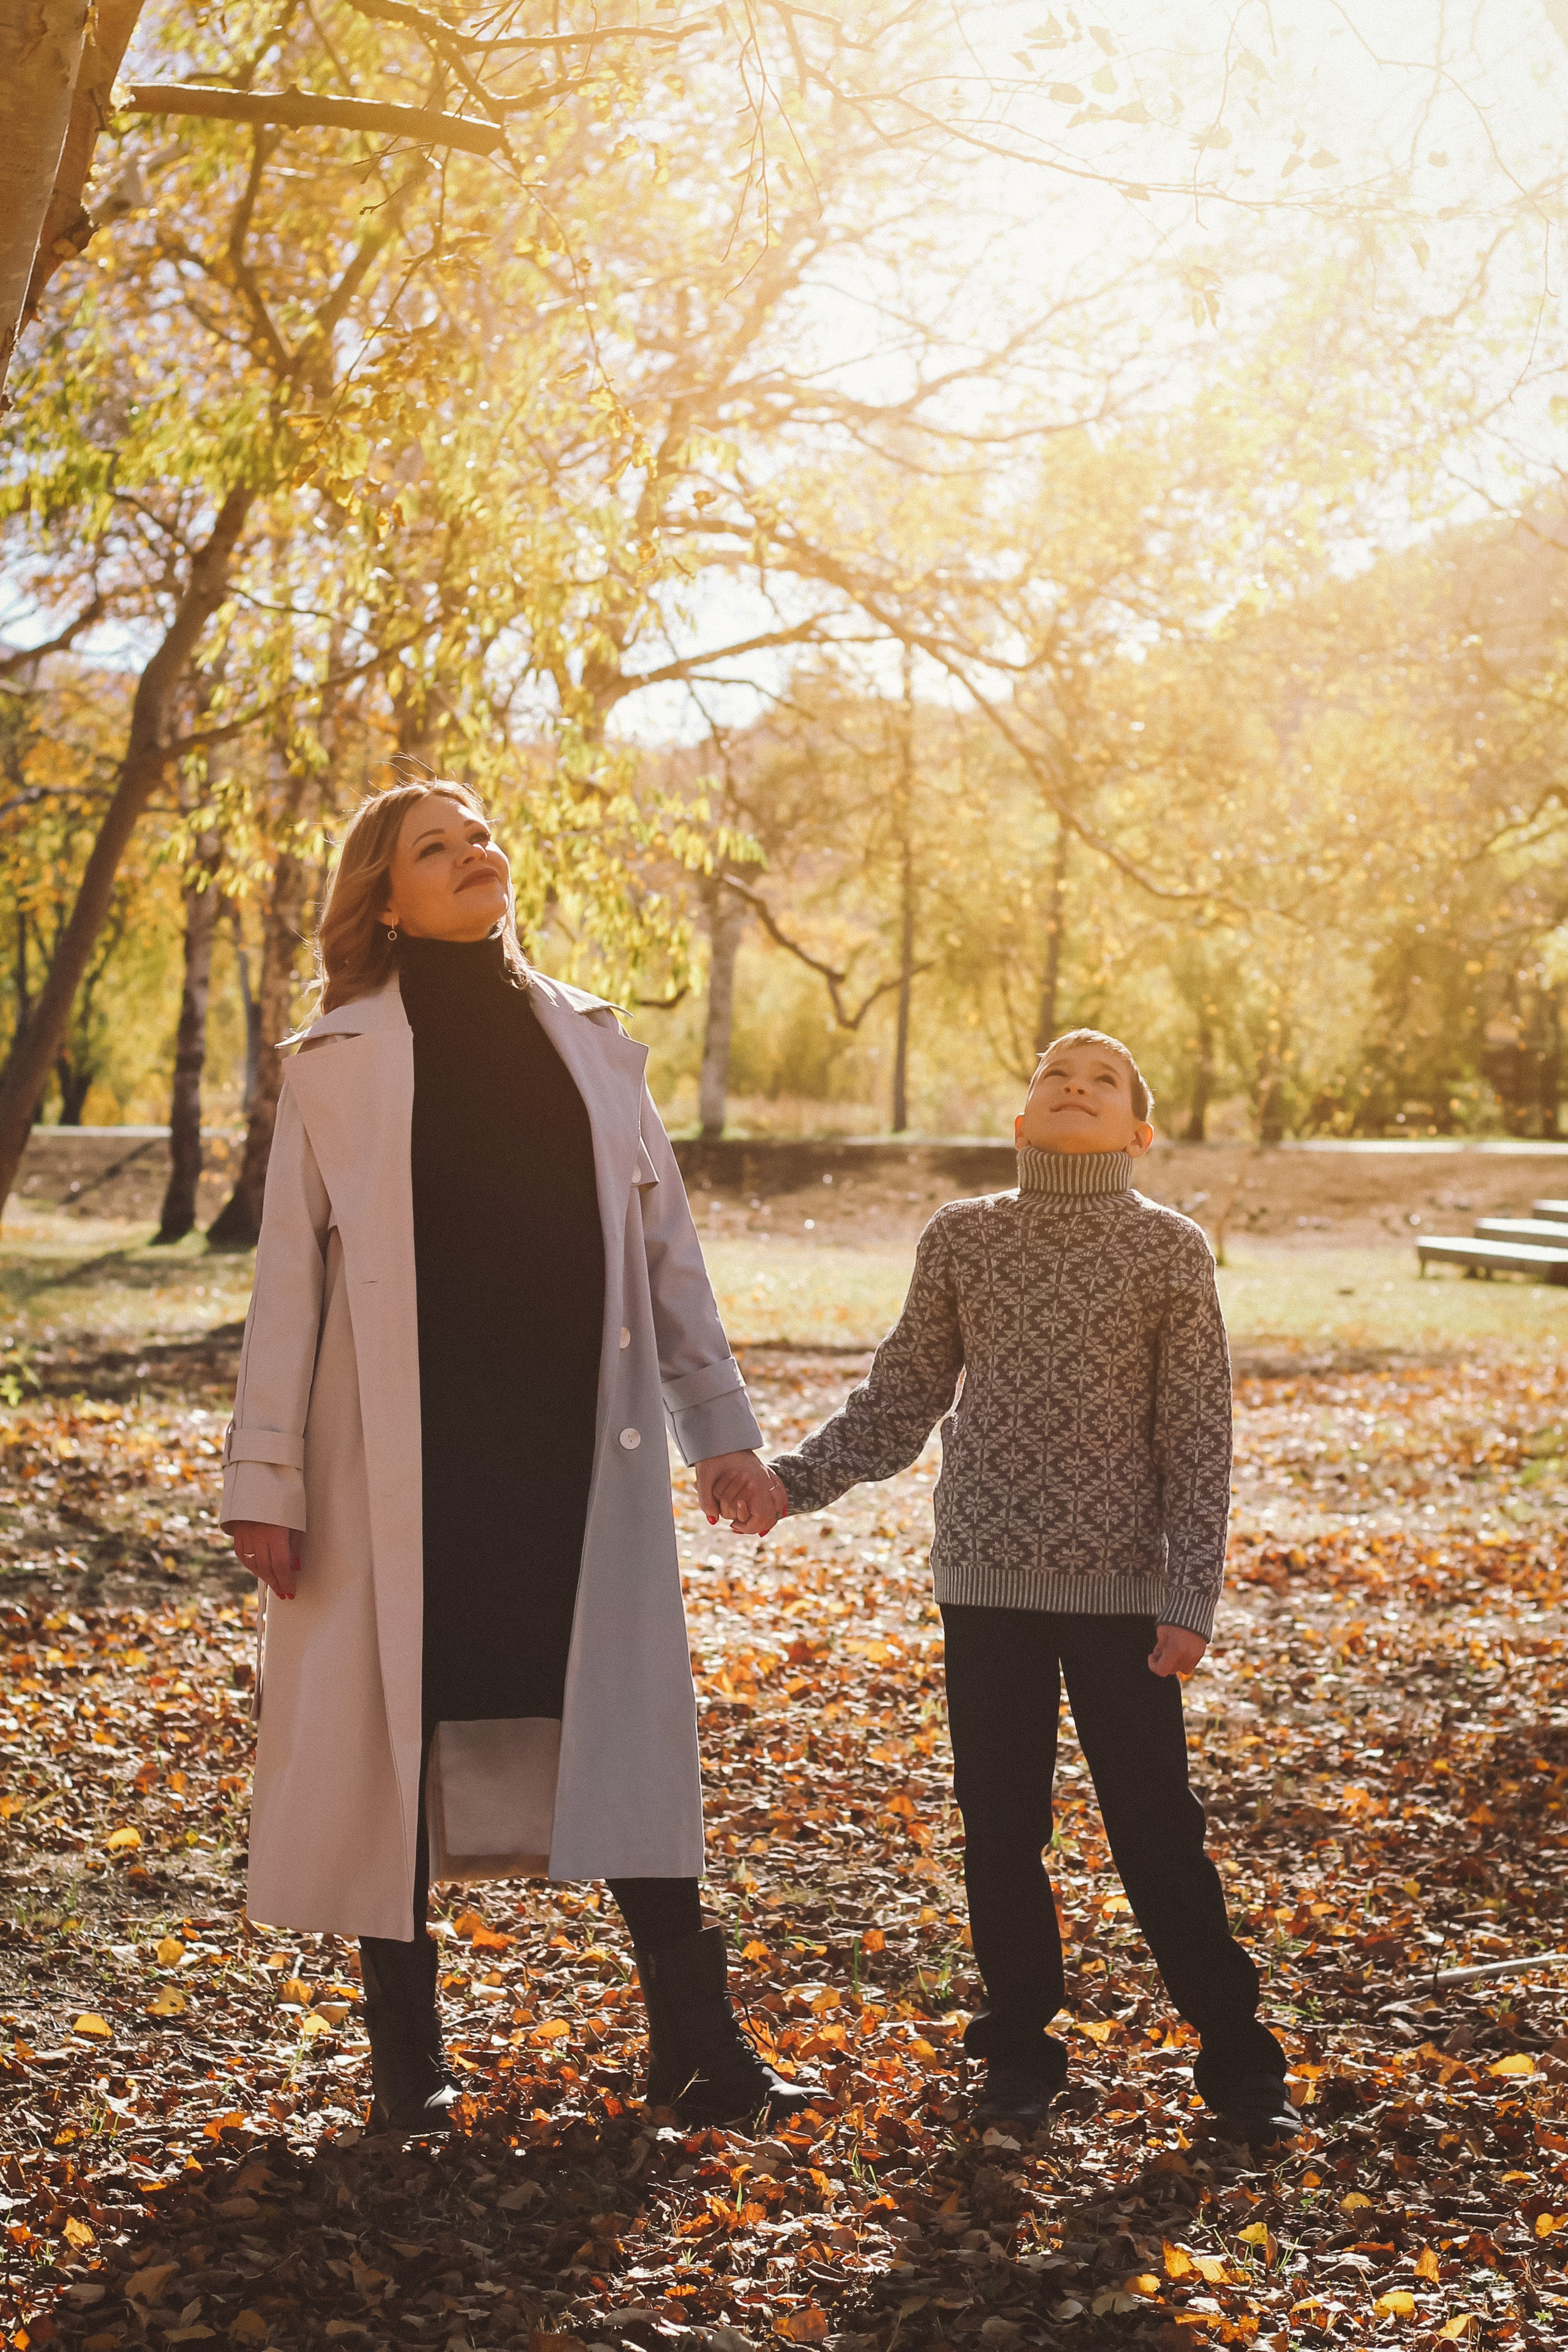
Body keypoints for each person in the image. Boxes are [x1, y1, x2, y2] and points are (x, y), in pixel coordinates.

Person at [221, 777, 815, 2135]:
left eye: (480, 836)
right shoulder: (333, 1062)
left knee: (625, 1724)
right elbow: (287, 1288)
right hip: (399, 1454)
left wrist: (721, 1431)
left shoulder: (593, 1044)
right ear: (385, 899)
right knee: (397, 1727)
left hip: (573, 1446)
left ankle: (697, 2050)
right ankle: (409, 2063)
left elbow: (666, 1252)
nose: (473, 854)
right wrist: (267, 1482)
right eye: (435, 848)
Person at [715, 1030, 1298, 2145]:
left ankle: (1238, 2059)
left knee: (1156, 1829)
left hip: (1123, 1592)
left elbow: (1197, 1433)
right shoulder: (964, 1235)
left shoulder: (1169, 1248)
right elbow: (903, 1396)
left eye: (1104, 1080)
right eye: (1055, 1076)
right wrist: (792, 1482)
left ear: (1140, 1131)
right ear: (1021, 1121)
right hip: (987, 1583)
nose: (1077, 1085)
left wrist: (1191, 1594)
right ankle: (1020, 2055)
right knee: (1001, 1829)